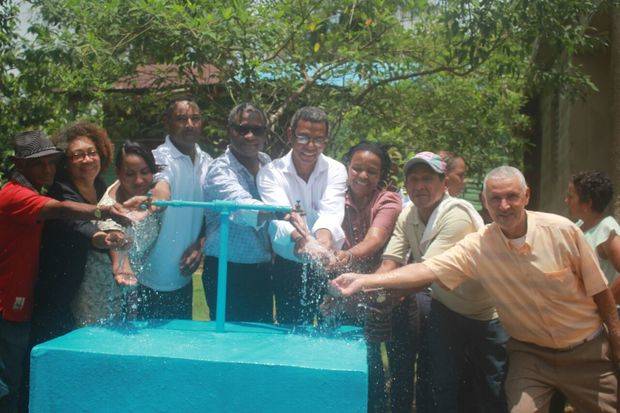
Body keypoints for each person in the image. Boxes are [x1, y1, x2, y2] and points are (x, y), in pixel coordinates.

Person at [333, 165, 620, 413]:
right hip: (531, 356)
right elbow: (429, 268)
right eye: (496, 198)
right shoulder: (480, 244)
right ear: (485, 201)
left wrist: (616, 341)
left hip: (586, 351)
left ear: (527, 196)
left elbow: (601, 292)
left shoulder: (563, 232)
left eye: (512, 197)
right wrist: (363, 280)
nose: (504, 206)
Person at [0, 131, 129, 412]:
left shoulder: (40, 191)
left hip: (26, 300)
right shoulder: (18, 195)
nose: (46, 169)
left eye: (50, 162)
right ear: (18, 164)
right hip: (11, 305)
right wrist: (102, 214)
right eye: (37, 163)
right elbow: (63, 213)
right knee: (12, 383)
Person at [381, 152, 507, 413]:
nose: (419, 186)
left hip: (484, 314)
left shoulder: (456, 216)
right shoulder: (408, 215)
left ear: (444, 184)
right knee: (442, 384)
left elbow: (427, 272)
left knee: (490, 388)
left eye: (427, 179)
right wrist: (374, 288)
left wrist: (365, 286)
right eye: (413, 180)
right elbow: (390, 261)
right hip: (446, 308)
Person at [31, 122, 126, 345]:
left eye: (92, 153)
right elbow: (81, 227)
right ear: (66, 162)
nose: (87, 159)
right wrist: (108, 239)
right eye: (78, 155)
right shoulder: (60, 192)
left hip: (90, 287)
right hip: (60, 291)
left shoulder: (101, 186)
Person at [324, 142, 402, 413]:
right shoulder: (335, 195)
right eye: (357, 168)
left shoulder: (388, 200)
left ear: (381, 175)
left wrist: (345, 257)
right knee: (336, 351)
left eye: (372, 171)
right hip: (340, 290)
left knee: (373, 358)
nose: (363, 176)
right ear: (347, 167)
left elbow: (376, 238)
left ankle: (377, 406)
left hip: (377, 293)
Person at [257, 106, 347, 325]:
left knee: (331, 335)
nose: (311, 146)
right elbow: (280, 217)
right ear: (290, 135)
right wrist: (302, 241)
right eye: (304, 137)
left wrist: (322, 245)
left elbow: (331, 213)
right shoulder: (271, 172)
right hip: (289, 266)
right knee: (291, 336)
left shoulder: (336, 170)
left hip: (328, 264)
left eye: (319, 139)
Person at [72, 141, 165, 326]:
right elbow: (115, 235)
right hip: (100, 291)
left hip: (130, 290)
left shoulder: (151, 189)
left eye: (144, 172)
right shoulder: (111, 206)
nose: (139, 180)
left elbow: (162, 188)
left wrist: (154, 201)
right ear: (119, 174)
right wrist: (121, 262)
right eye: (130, 174)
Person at [137, 97, 212, 320]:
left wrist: (200, 245)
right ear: (167, 122)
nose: (189, 124)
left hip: (183, 276)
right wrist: (160, 195)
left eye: (195, 118)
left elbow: (211, 214)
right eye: (181, 118)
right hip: (148, 277)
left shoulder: (207, 161)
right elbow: (162, 182)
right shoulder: (159, 157)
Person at [202, 103, 274, 323]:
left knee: (261, 344)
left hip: (262, 270)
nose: (250, 135)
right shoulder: (219, 169)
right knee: (228, 343)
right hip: (226, 271)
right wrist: (286, 212)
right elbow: (245, 208)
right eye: (242, 129)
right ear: (229, 130)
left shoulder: (268, 163)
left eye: (258, 129)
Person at [566, 171, 620, 301]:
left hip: (599, 318)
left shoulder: (607, 230)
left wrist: (604, 307)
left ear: (587, 203)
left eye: (571, 196)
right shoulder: (579, 226)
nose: (566, 200)